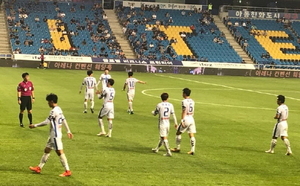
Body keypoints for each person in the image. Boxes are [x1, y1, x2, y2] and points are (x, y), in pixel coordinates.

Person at [29, 93, 73, 177]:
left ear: (52, 102)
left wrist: (35, 125)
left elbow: (46, 122)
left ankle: (67, 170)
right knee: (47, 150)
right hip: (53, 134)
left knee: (59, 152)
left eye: (48, 102)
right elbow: (64, 119)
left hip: (55, 135)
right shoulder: (59, 109)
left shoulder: (53, 111)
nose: (48, 103)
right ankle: (39, 167)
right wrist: (68, 130)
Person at [171, 88, 196, 155]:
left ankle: (177, 148)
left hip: (186, 118)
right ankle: (192, 150)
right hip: (191, 118)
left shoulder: (184, 101)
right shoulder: (192, 101)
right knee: (191, 134)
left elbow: (184, 111)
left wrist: (182, 120)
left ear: (184, 94)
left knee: (178, 133)